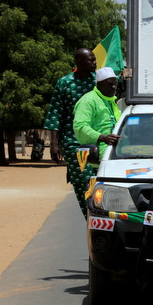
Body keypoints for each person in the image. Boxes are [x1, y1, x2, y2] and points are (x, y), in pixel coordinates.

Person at [43, 48, 96, 217]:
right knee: (83, 181)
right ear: (79, 62)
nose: (95, 63)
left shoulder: (97, 82)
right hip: (73, 142)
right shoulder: (64, 83)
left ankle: (98, 220)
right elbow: (55, 113)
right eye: (91, 60)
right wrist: (54, 144)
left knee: (99, 182)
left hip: (97, 139)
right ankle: (89, 218)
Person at [72, 67, 121, 217]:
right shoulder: (88, 100)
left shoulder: (112, 101)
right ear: (99, 84)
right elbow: (80, 126)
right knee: (96, 207)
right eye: (109, 83)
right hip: (96, 162)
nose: (113, 86)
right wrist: (102, 137)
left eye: (115, 83)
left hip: (115, 159)